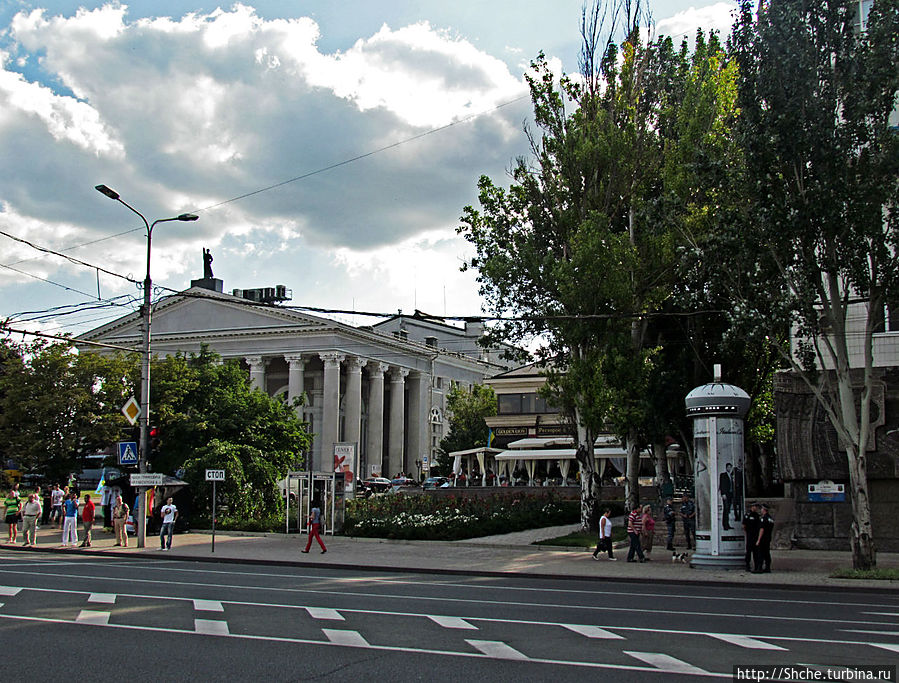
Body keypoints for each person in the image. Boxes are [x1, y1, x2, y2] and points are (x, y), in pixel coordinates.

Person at [754, 503, 774, 573]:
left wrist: (758, 540)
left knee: (761, 553)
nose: (761, 510)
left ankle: (759, 568)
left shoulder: (764, 519)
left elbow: (762, 529)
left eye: (762, 509)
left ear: (764, 510)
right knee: (767, 553)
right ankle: (767, 567)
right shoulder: (770, 519)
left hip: (763, 538)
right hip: (768, 538)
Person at [742, 501, 761, 571]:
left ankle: (756, 566)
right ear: (751, 507)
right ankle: (747, 565)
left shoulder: (757, 515)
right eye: (754, 506)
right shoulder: (747, 515)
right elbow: (744, 525)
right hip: (750, 535)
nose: (755, 508)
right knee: (748, 551)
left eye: (756, 506)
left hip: (755, 535)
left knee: (756, 552)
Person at [719, 463, 734, 530]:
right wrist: (723, 493)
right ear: (726, 468)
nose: (729, 469)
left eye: (730, 467)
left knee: (728, 510)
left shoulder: (731, 475)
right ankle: (725, 525)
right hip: (725, 495)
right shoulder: (723, 475)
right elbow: (722, 484)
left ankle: (727, 524)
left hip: (730, 494)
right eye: (728, 467)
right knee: (726, 509)